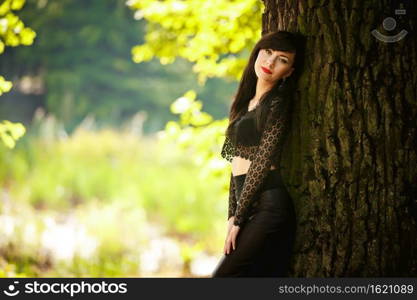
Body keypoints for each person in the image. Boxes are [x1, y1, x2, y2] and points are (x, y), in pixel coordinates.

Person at [211, 30, 302, 277]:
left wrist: (240, 219)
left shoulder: (277, 103)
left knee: (223, 277)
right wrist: (232, 215)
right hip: (248, 203)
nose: (270, 62)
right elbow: (233, 163)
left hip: (270, 205)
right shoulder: (243, 103)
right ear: (258, 53)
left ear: (290, 71)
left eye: (282, 59)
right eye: (268, 52)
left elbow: (262, 161)